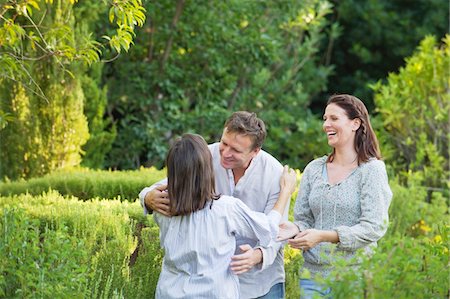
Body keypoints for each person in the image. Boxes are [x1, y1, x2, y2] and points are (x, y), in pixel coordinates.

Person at [140, 111, 290, 298]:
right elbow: (271, 226)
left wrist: (259, 255)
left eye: (235, 150)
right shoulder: (203, 157)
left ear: (255, 151)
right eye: (224, 143)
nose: (225, 153)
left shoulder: (274, 174)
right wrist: (147, 197)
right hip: (218, 287)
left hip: (259, 281)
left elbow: (278, 231)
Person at [278, 94, 393, 298]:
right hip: (312, 278)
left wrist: (325, 236)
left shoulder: (371, 170)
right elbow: (305, 220)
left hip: (353, 279)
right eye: (325, 119)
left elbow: (374, 227)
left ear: (355, 124)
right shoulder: (314, 169)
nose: (326, 125)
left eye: (334, 118)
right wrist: (294, 228)